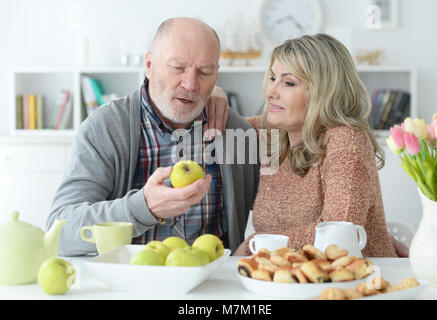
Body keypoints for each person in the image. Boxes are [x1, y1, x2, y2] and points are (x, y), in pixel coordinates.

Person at [46, 17, 259, 256]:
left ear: (216, 75)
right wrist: (144, 207)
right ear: (149, 64)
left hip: (211, 288)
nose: (190, 84)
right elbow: (60, 231)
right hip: (128, 286)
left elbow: (278, 215)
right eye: (178, 68)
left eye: (204, 72)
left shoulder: (234, 131)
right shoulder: (104, 128)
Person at [232, 33, 398, 257]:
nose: (270, 92)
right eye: (272, 78)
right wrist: (215, 95)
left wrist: (258, 243)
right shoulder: (276, 132)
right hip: (289, 280)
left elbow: (338, 235)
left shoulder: (346, 140)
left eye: (289, 83)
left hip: (354, 283)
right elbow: (224, 122)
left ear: (324, 93)